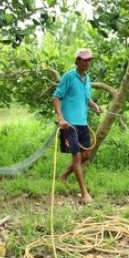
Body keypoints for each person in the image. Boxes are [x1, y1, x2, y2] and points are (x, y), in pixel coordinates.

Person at [53, 48, 103, 204]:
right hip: (69, 125)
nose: (88, 62)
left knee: (86, 155)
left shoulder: (87, 79)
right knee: (76, 156)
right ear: (77, 61)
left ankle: (63, 176)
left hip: (82, 123)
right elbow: (56, 96)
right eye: (85, 59)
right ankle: (84, 193)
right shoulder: (69, 76)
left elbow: (86, 99)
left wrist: (95, 106)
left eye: (89, 60)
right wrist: (60, 118)